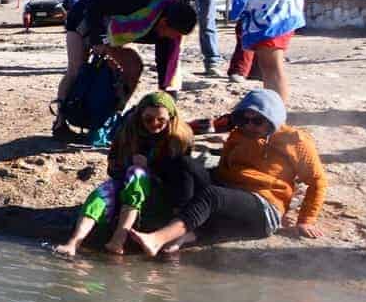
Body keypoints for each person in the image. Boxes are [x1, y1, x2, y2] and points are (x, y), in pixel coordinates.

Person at [131, 89, 326, 255]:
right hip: (230, 192)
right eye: (244, 119)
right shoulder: (238, 134)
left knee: (212, 196)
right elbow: (223, 168)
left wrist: (306, 221)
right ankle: (181, 226)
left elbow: (317, 181)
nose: (249, 126)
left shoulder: (295, 141)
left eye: (258, 121)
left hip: (264, 206)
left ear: (272, 119)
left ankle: (158, 239)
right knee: (187, 164)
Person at [52, 91, 194, 257]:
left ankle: (119, 237)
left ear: (170, 117)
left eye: (161, 120)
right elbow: (113, 168)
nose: (154, 124)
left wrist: (151, 168)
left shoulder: (180, 138)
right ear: (140, 115)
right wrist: (128, 164)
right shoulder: (128, 131)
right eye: (148, 119)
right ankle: (74, 242)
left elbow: (182, 175)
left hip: (160, 190)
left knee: (138, 173)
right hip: (126, 183)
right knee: (101, 194)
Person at [54, 0, 197, 116]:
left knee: (134, 67)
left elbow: (166, 66)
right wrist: (97, 40)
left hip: (114, 33)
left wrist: (167, 99)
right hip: (83, 17)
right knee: (77, 69)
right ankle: (60, 120)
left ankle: (114, 115)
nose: (176, 38)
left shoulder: (169, 33)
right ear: (164, 22)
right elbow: (94, 7)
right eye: (176, 34)